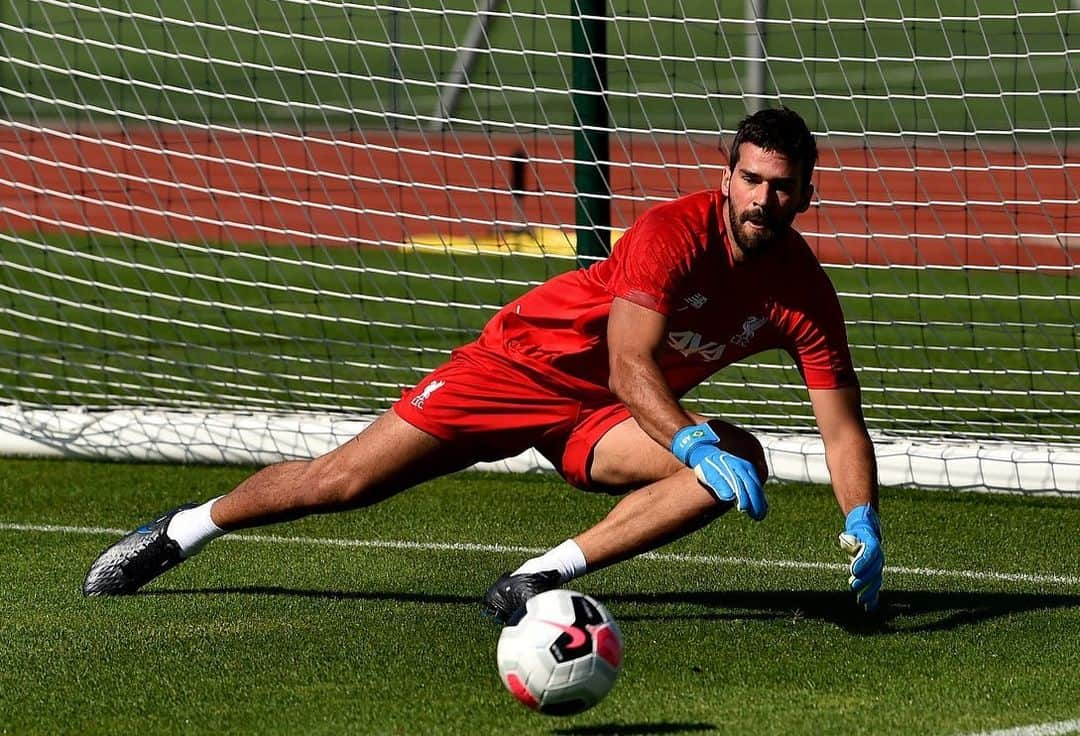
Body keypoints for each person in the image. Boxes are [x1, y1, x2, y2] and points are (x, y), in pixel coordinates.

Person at [83, 107, 884, 616]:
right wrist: (687, 439)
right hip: (521, 370)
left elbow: (842, 427)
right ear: (725, 179)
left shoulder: (805, 292)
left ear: (806, 194)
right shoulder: (671, 234)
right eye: (750, 181)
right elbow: (630, 364)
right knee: (342, 483)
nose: (761, 201)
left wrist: (862, 518)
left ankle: (537, 579)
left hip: (603, 421)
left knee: (738, 457)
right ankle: (185, 530)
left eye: (781, 189)